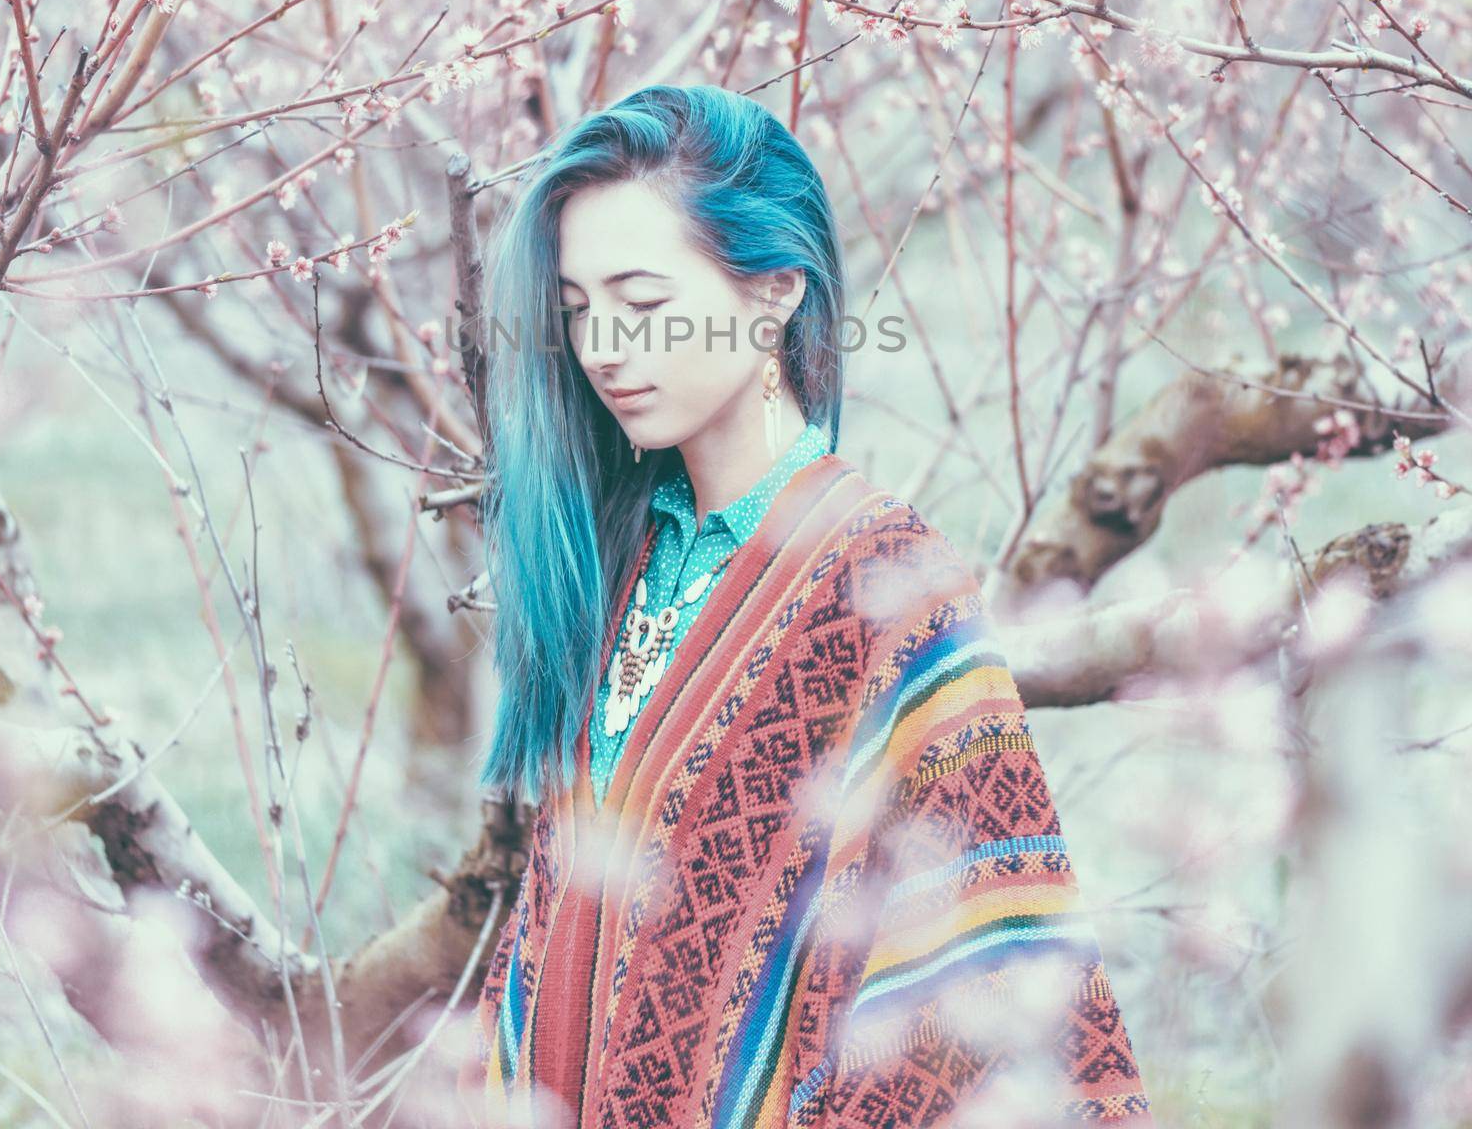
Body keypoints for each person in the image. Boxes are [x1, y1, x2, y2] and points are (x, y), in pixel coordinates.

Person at [456, 84, 1152, 1126]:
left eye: (643, 302)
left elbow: (979, 969)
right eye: (575, 310)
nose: (601, 345)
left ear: (774, 289)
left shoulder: (882, 584)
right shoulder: (613, 555)